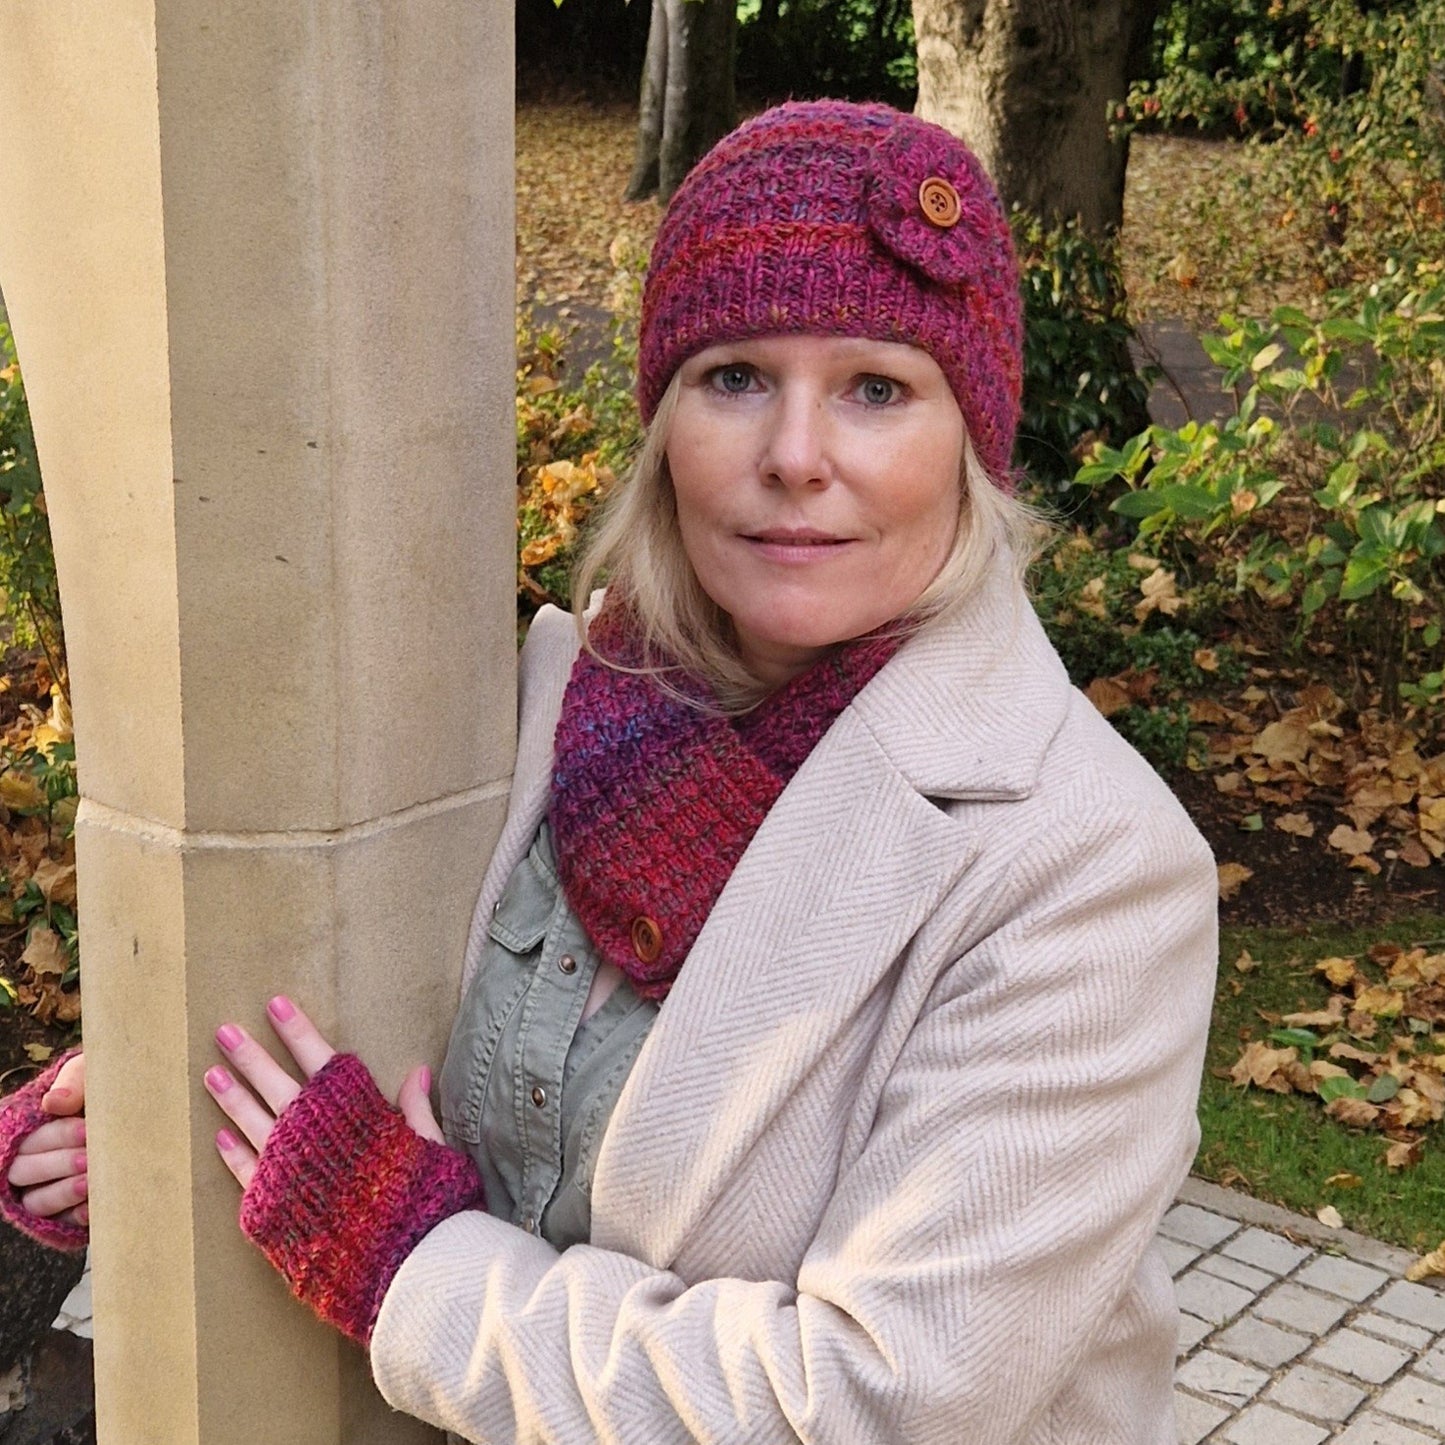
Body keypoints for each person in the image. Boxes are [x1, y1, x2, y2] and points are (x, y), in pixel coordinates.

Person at [0, 100, 1217, 1442]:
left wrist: (408, 1263)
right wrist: (177, 1126)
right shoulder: (549, 703)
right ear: (663, 421)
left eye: (876, 389)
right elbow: (393, 1048)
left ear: (973, 439)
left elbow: (874, 1403)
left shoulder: (1091, 872)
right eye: (734, 377)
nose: (794, 456)